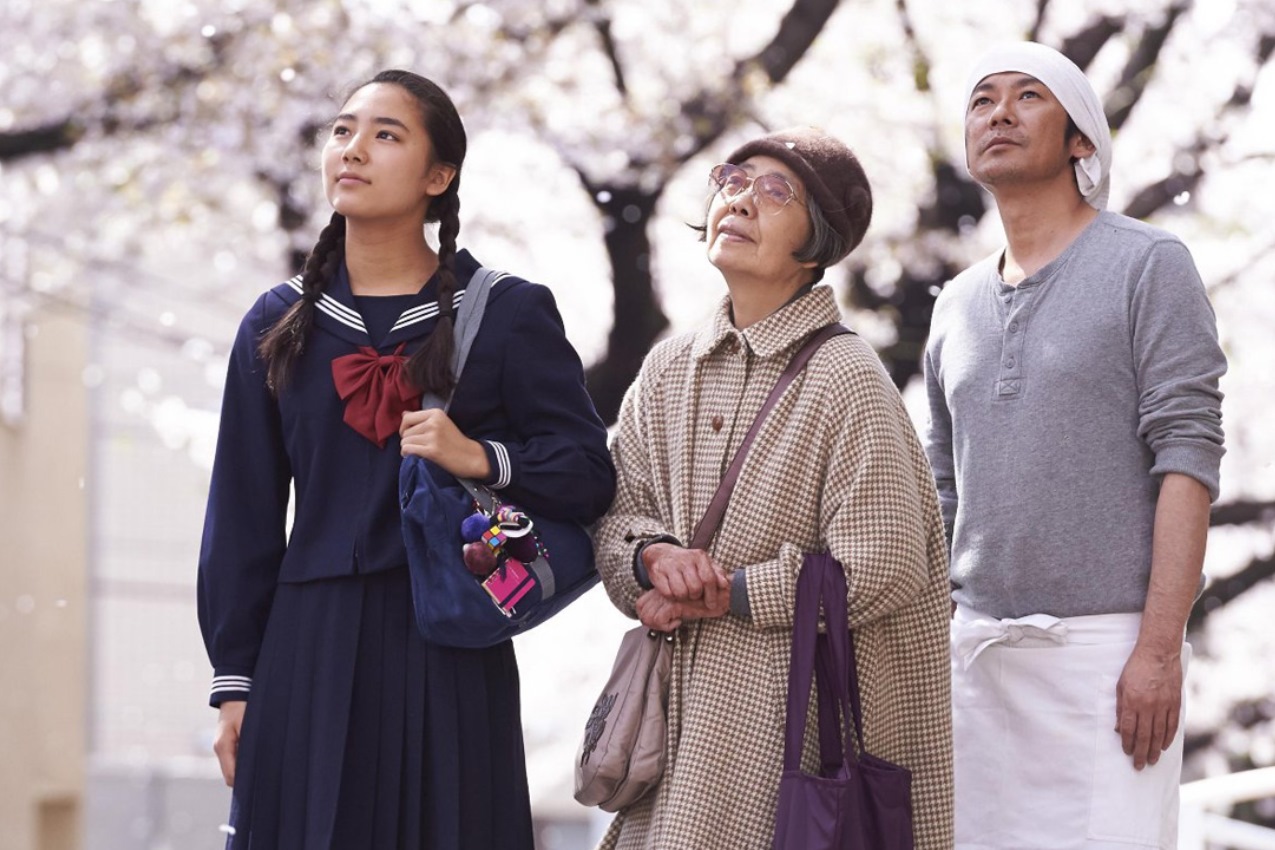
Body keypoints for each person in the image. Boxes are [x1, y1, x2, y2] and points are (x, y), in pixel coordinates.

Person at [196, 69, 615, 849]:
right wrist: (236, 687)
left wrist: (479, 457)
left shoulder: (507, 312)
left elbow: (588, 472)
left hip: (447, 638)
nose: (352, 150)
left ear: (438, 176)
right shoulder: (279, 321)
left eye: (385, 135)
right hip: (305, 645)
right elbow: (242, 513)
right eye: (342, 130)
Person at [593, 127, 955, 850]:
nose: (739, 200)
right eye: (732, 180)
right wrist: (650, 561)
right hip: (672, 736)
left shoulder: (846, 377)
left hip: (790, 736)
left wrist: (730, 590)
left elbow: (883, 564)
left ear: (815, 243)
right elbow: (613, 515)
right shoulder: (666, 370)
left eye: (774, 191)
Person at [924, 42, 1226, 849]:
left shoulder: (1146, 264)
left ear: (1079, 140)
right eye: (981, 100)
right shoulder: (952, 304)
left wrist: (1157, 651)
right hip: (974, 662)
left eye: (1027, 98)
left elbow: (1187, 460)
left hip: (1108, 657)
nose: (997, 113)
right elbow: (943, 489)